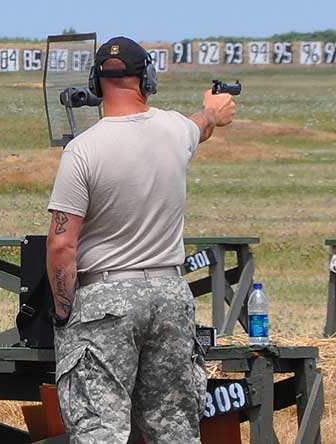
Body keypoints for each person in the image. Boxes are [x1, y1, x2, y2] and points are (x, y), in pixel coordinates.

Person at [46, 37, 236, 444]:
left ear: (96, 84)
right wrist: (213, 111)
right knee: (175, 430)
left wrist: (63, 312)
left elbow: (61, 246)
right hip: (169, 295)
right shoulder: (175, 130)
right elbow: (201, 125)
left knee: (101, 430)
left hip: (105, 300)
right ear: (147, 78)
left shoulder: (82, 151)